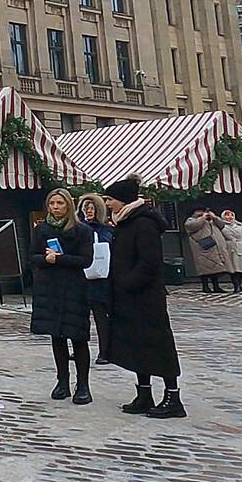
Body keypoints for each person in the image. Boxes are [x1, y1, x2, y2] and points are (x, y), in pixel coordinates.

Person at [103, 177, 185, 418]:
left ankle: (173, 397)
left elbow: (149, 263)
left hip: (146, 298)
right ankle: (144, 393)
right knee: (136, 345)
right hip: (128, 297)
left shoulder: (144, 224)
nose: (108, 204)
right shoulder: (124, 223)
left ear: (124, 200)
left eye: (110, 199)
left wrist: (128, 283)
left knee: (158, 344)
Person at [30, 189, 93, 404]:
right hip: (50, 288)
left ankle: (83, 384)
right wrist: (45, 260)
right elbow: (31, 256)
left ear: (68, 205)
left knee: (77, 336)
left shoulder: (81, 230)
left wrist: (60, 259)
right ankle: (62, 381)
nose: (55, 207)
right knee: (56, 336)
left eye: (60, 203)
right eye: (52, 203)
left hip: (74, 287)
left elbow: (86, 260)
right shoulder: (42, 230)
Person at [78, 193, 113, 365]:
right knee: (79, 317)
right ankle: (79, 348)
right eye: (86, 208)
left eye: (92, 208)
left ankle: (104, 351)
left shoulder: (106, 229)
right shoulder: (78, 228)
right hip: (82, 278)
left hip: (101, 279)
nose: (89, 211)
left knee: (101, 317)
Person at [184, 207, 232, 293]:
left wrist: (214, 217)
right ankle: (205, 286)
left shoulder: (210, 220)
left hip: (215, 247)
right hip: (203, 247)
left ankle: (216, 286)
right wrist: (202, 218)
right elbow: (191, 226)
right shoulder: (191, 220)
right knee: (204, 268)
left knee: (216, 268)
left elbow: (222, 225)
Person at [220, 210, 242, 292]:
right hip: (229, 248)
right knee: (233, 269)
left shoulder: (239, 226)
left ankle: (239, 283)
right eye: (227, 215)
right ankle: (236, 285)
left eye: (231, 215)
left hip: (240, 247)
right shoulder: (221, 226)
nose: (230, 217)